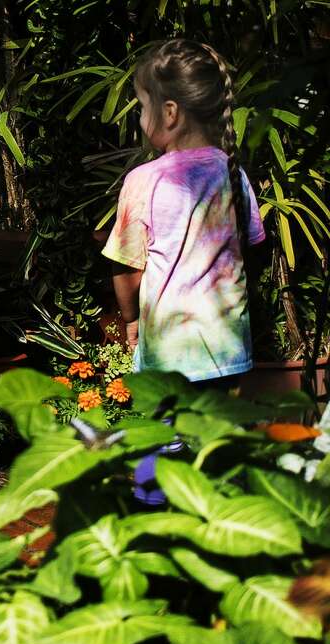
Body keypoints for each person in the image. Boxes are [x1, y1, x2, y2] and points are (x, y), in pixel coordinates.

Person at [105, 39, 265, 391]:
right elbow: (250, 249)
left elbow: (127, 268)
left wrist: (130, 318)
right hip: (227, 350)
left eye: (143, 107)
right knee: (215, 442)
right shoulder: (233, 172)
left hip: (169, 354)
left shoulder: (144, 181)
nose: (141, 117)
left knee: (166, 444)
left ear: (171, 113)